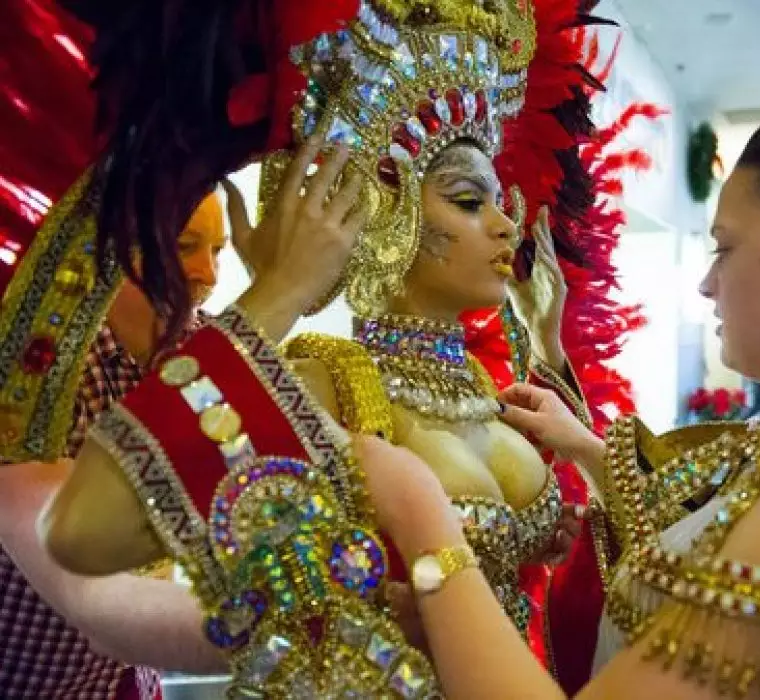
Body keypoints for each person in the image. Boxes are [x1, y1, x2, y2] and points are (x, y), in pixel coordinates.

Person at [24, 0, 658, 693]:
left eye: (499, 201)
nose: (506, 225)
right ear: (387, 213)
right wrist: (279, 291)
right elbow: (89, 531)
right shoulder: (331, 384)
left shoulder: (486, 389)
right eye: (469, 201)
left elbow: (602, 573)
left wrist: (549, 353)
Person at [346, 85, 760, 699]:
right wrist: (569, 417)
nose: (708, 285)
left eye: (725, 248)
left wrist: (427, 527)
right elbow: (681, 544)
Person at [0, 192, 226, 699]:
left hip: (126, 681)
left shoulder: (196, 347)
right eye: (186, 246)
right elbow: (98, 600)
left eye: (219, 251)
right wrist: (298, 629)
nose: (208, 274)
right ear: (115, 248)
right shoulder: (41, 370)